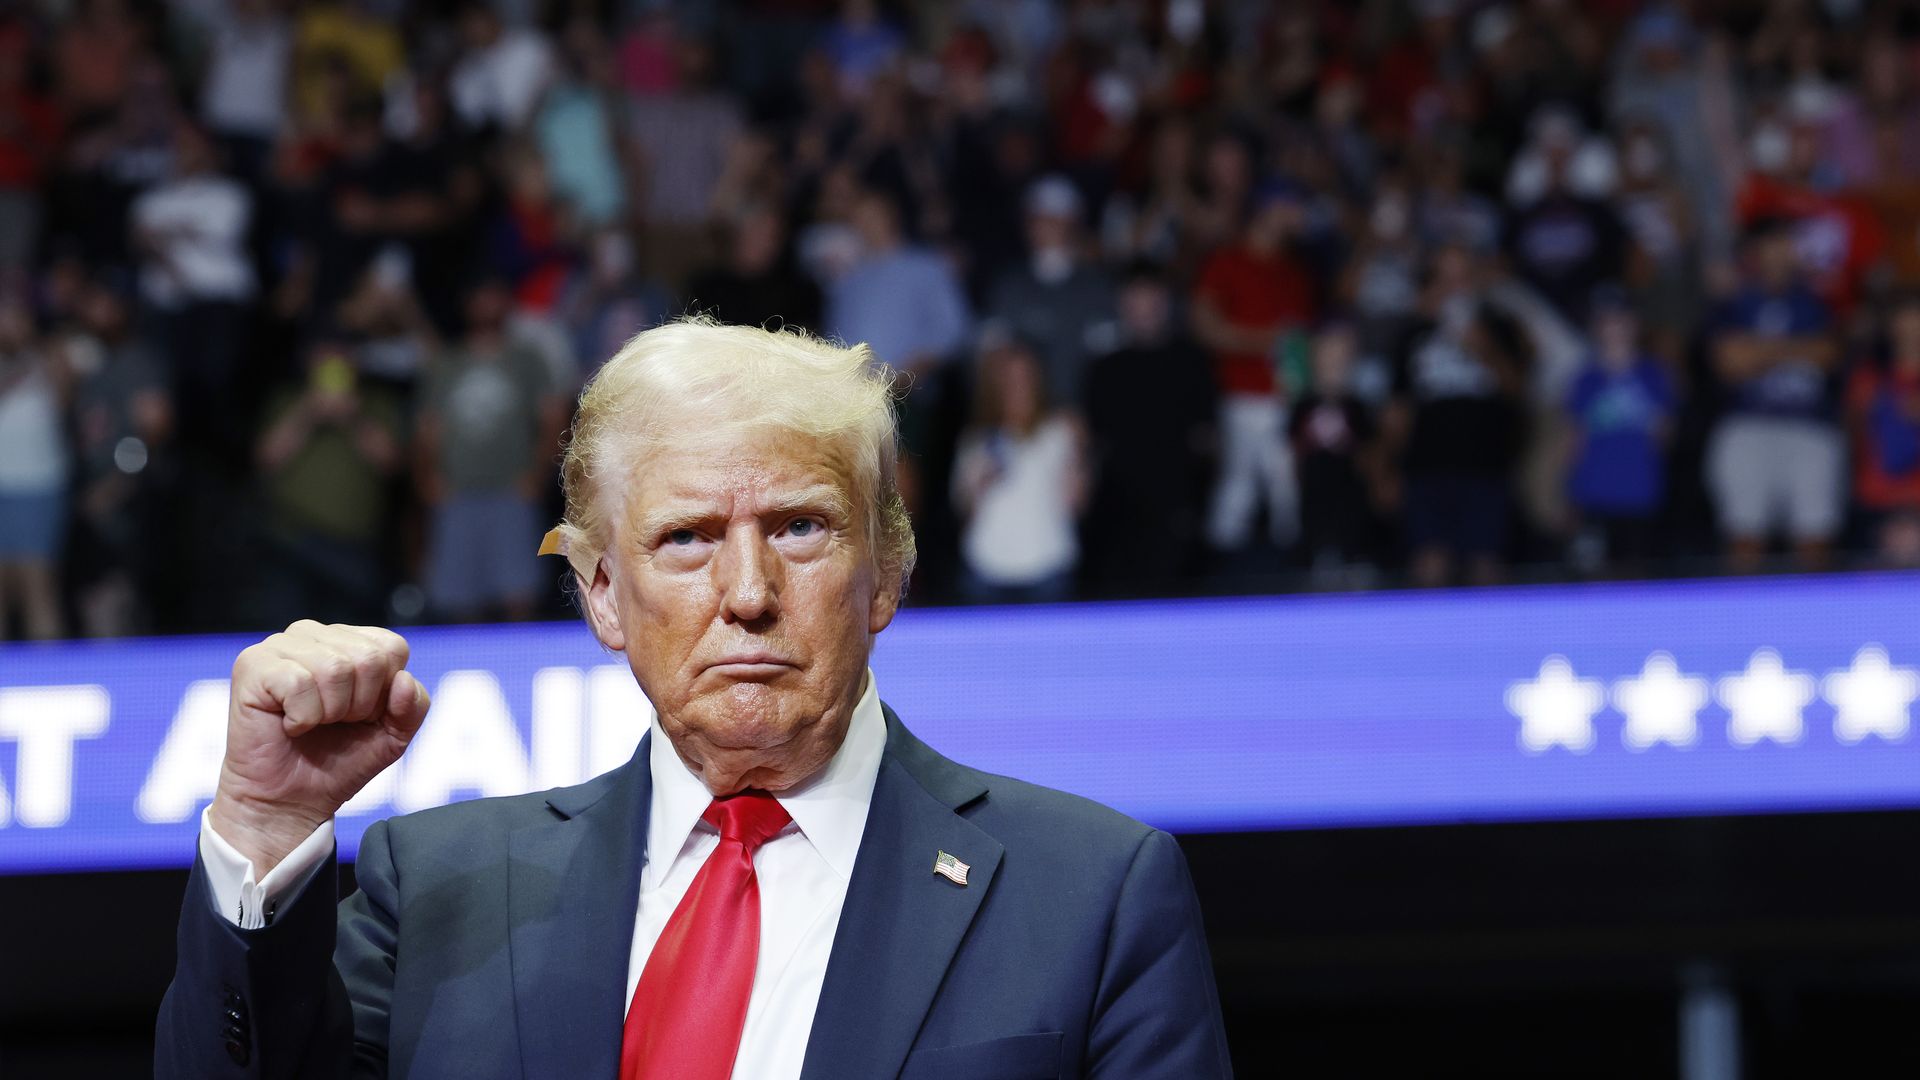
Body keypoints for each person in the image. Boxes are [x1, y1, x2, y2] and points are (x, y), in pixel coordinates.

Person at [155, 317, 1232, 1079]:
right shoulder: (433, 891)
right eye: (687, 539)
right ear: (603, 594)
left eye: (802, 527)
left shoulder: (1094, 897)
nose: (750, 595)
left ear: (888, 573)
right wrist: (267, 828)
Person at [415, 278, 566, 621]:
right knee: (457, 599)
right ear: (467, 305)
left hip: (511, 491)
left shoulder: (526, 359)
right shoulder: (448, 362)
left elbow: (553, 418)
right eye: (480, 295)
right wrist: (428, 479)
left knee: (519, 593)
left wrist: (537, 476)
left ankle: (519, 668)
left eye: (494, 294)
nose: (487, 303)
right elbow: (428, 430)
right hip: (458, 492)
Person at [1705, 218, 1844, 571]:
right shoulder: (1735, 301)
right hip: (1748, 422)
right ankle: (1744, 622)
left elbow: (1828, 354)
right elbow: (1728, 361)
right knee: (1744, 538)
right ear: (1754, 254)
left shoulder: (1816, 299)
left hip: (1809, 425)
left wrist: (1760, 352)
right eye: (1772, 247)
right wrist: (1798, 350)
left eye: (1786, 247)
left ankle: (1816, 621)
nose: (1779, 256)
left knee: (1814, 541)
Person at [950, 336, 1087, 603]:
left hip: (1048, 566)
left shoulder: (1059, 431)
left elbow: (1076, 503)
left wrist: (1080, 453)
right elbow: (963, 509)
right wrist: (980, 483)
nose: (1018, 386)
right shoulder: (977, 439)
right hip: (987, 568)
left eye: (1025, 377)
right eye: (1009, 379)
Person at [1562, 288, 1676, 573]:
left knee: (1636, 572)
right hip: (1593, 493)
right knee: (1592, 572)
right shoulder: (1585, 379)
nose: (1615, 328)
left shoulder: (1655, 375)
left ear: (1635, 324)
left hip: (1640, 493)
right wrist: (1571, 495)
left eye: (1622, 319)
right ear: (1596, 327)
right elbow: (1576, 439)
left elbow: (1663, 434)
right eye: (1607, 321)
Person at [1846, 291, 1920, 565]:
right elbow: (1853, 435)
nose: (1913, 326)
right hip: (1879, 500)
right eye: (1905, 317)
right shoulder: (1869, 377)